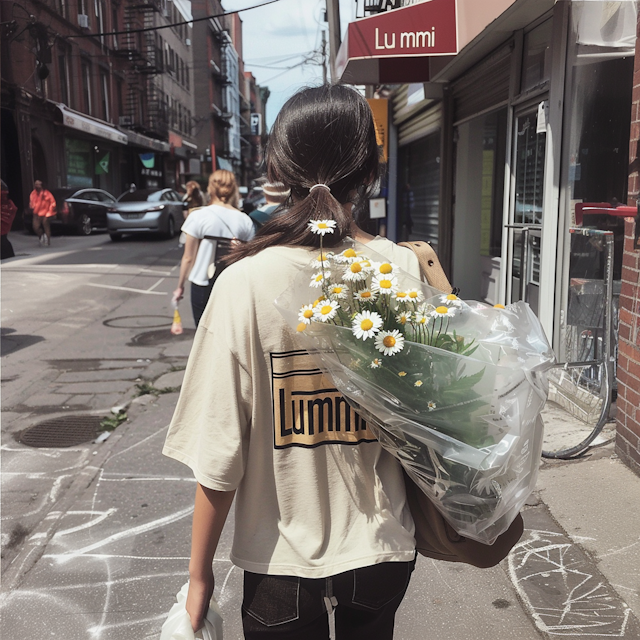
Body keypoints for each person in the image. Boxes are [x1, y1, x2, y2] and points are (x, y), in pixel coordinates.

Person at [163, 85, 423, 639]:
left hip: (279, 561)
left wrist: (198, 579)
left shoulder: (244, 283)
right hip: (381, 552)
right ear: (369, 170)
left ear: (279, 166)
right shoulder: (400, 269)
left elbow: (218, 454)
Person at [172, 169, 255, 326]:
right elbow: (250, 258)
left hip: (202, 283)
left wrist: (180, 287)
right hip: (232, 285)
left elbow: (188, 257)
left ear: (210, 188)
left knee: (203, 333)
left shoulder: (198, 216)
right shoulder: (245, 220)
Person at [29, 180, 56, 246]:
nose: (37, 186)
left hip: (45, 213)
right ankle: (41, 235)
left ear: (41, 186)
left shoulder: (47, 193)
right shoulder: (33, 194)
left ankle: (48, 240)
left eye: (38, 184)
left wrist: (49, 212)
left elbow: (53, 203)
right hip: (36, 213)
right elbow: (31, 203)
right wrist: (31, 206)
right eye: (36, 184)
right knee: (35, 227)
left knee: (46, 226)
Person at [1, 180, 17, 259]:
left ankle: (6, 254)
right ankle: (7, 253)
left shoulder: (2, 194)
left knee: (2, 237)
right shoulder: (4, 194)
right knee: (3, 237)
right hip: (5, 215)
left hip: (3, 216)